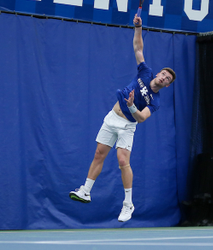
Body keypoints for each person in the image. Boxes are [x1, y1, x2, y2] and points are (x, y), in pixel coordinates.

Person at [69, 15, 176, 222]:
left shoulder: (155, 100)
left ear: (167, 85)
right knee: (99, 154)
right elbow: (138, 49)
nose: (163, 77)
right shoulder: (145, 72)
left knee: (122, 161)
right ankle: (86, 190)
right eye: (163, 73)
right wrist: (138, 27)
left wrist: (132, 106)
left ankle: (128, 204)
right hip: (111, 118)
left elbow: (142, 118)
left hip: (128, 125)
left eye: (167, 79)